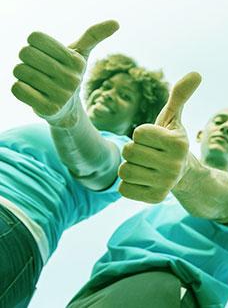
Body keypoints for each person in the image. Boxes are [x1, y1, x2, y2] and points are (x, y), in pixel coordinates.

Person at [1, 20, 170, 307]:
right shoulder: (40, 130)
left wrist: (67, 115)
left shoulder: (122, 151)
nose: (108, 93)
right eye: (105, 85)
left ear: (136, 119)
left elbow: (96, 165)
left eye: (124, 95)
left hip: (12, 219)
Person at [67, 106, 228, 307]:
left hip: (164, 287)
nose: (226, 128)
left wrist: (186, 173)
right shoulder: (163, 190)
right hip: (98, 286)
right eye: (219, 122)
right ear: (200, 134)